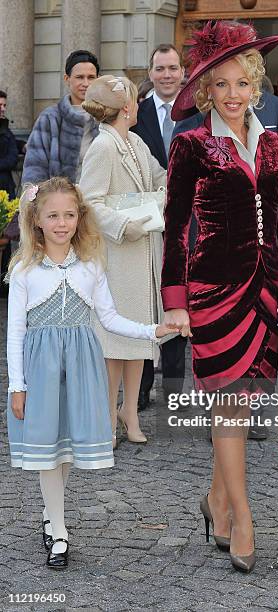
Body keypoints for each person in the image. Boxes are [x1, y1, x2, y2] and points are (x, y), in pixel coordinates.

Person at [161, 20, 278, 574]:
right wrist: (175, 300)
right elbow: (173, 227)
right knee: (229, 407)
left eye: (242, 84)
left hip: (266, 287)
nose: (233, 96)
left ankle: (215, 501)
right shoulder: (191, 144)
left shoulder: (272, 142)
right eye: (222, 86)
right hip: (212, 290)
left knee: (241, 405)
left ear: (255, 84)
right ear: (207, 90)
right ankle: (242, 517)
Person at [6, 177, 175, 570]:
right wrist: (18, 385)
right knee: (47, 449)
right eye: (53, 215)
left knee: (65, 446)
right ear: (37, 221)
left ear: (79, 219)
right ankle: (60, 531)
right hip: (40, 369)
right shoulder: (24, 272)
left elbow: (110, 317)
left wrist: (152, 330)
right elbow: (15, 332)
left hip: (82, 366)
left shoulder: (91, 266)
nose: (62, 223)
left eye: (69, 215)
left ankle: (52, 515)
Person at [80, 75, 167, 448]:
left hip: (145, 255)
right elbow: (89, 201)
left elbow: (160, 176)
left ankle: (129, 412)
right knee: (114, 343)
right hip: (118, 256)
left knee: (139, 342)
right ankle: (105, 415)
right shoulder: (103, 146)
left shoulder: (134, 141)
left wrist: (164, 193)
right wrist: (125, 225)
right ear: (127, 108)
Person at [132, 43, 188, 410]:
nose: (167, 75)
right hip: (146, 224)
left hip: (187, 226)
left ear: (182, 72)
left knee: (177, 304)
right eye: (160, 69)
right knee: (145, 307)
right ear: (150, 73)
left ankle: (174, 391)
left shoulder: (199, 110)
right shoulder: (134, 113)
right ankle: (140, 390)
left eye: (173, 68)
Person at [22, 50, 100, 185]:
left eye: (91, 77)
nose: (86, 83)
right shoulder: (50, 118)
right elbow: (34, 169)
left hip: (99, 200)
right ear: (67, 79)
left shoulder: (106, 117)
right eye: (80, 77)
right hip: (60, 202)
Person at [0, 90, 19, 198]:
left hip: (6, 187)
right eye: (0, 105)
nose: (3, 109)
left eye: (4, 105)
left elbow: (10, 142)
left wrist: (22, 145)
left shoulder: (4, 127)